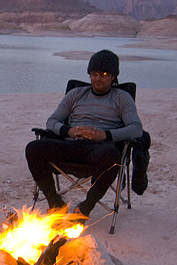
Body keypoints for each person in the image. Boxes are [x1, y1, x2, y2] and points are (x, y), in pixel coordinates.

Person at [25, 50, 143, 217]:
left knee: (112, 156)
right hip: (71, 145)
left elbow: (136, 128)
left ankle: (86, 207)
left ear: (113, 77)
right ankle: (55, 202)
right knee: (33, 148)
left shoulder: (122, 98)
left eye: (104, 74)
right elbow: (52, 121)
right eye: (94, 74)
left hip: (98, 150)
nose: (98, 78)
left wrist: (105, 135)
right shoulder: (76, 94)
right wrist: (69, 131)